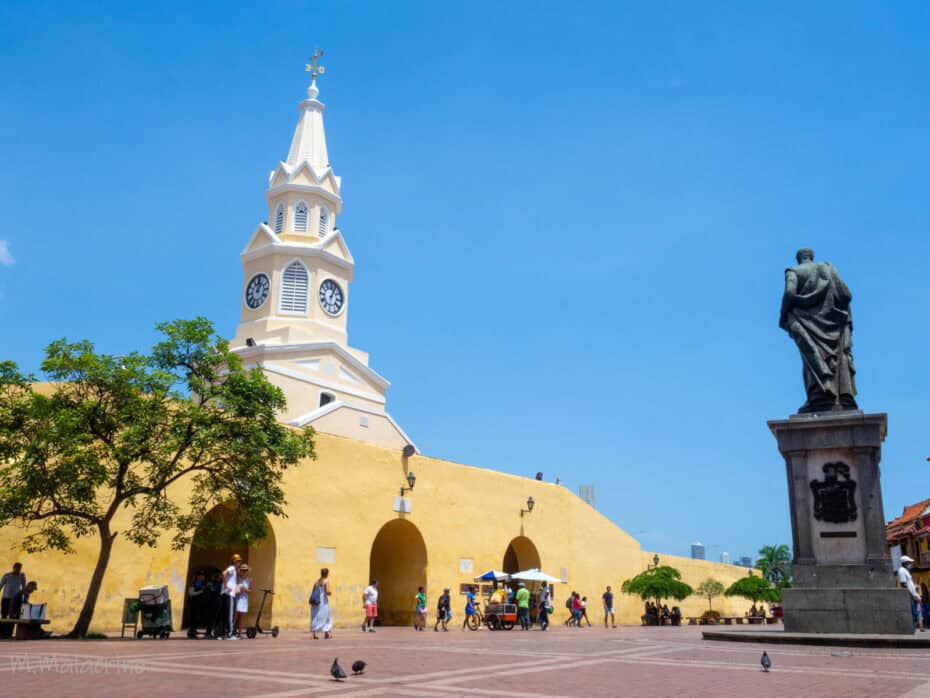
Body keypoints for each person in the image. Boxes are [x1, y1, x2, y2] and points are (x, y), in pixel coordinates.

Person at [779, 247, 857, 413]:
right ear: (811, 258)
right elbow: (846, 295)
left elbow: (789, 292)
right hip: (832, 321)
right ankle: (840, 394)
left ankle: (819, 396)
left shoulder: (793, 271)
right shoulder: (829, 269)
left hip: (804, 320)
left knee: (811, 357)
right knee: (835, 356)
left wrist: (783, 313)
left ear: (799, 259)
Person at [1, 563, 27, 639]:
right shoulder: (7, 575)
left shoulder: (21, 576)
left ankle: (10, 633)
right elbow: (1, 585)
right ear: (14, 567)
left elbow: (24, 587)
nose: (18, 569)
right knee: (4, 615)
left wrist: (24, 597)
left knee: (13, 616)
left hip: (15, 599)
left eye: (20, 568)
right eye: (17, 568)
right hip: (6, 598)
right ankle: (3, 633)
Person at [220, 553, 241, 639]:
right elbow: (224, 573)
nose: (239, 562)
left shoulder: (234, 569)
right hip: (229, 594)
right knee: (230, 614)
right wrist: (225, 586)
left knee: (225, 614)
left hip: (227, 593)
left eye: (239, 561)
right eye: (237, 561)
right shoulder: (232, 568)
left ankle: (223, 633)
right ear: (233, 561)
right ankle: (231, 634)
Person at [898, 555, 921, 632]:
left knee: (915, 615)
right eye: (909, 562)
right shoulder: (901, 571)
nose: (910, 564)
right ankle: (912, 632)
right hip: (910, 597)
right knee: (913, 616)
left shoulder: (906, 570)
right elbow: (903, 584)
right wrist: (912, 596)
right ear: (905, 563)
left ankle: (913, 631)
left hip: (913, 596)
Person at [310, 567, 333, 640]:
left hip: (316, 601)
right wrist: (330, 592)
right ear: (327, 574)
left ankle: (313, 634)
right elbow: (327, 592)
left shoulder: (317, 581)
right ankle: (326, 633)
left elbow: (313, 591)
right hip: (323, 602)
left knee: (315, 616)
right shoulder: (326, 581)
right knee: (326, 616)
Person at [187, 570, 208, 637]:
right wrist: (201, 591)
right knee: (194, 618)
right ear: (198, 576)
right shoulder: (194, 583)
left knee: (198, 618)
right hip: (194, 603)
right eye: (202, 575)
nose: (203, 577)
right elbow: (191, 593)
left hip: (200, 604)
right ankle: (191, 632)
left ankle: (193, 630)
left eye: (204, 576)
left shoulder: (203, 583)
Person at [235, 563, 251, 637]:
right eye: (242, 570)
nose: (244, 571)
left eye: (245, 570)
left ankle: (240, 633)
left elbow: (251, 591)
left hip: (244, 599)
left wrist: (246, 589)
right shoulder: (237, 578)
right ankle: (232, 631)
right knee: (235, 616)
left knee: (241, 617)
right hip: (237, 598)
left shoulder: (249, 580)